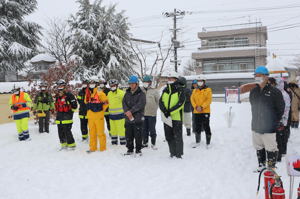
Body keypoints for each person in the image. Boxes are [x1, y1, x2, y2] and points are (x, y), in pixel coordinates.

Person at [245, 66, 284, 171]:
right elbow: (253, 105)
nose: (257, 77)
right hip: (256, 126)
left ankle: (271, 167)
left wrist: (273, 121)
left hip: (269, 128)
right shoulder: (253, 91)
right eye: (255, 75)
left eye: (259, 75)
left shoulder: (275, 92)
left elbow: (280, 109)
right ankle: (261, 165)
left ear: (266, 77)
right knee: (259, 147)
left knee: (271, 148)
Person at [159, 72, 185, 158]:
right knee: (168, 136)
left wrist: (170, 111)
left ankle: (178, 154)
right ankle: (172, 152)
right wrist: (164, 111)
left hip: (176, 117)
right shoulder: (165, 90)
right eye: (169, 79)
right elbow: (161, 102)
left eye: (172, 79)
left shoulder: (180, 90)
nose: (170, 80)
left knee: (177, 136)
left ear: (176, 79)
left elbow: (180, 104)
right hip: (167, 118)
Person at [123, 75, 146, 155]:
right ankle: (130, 149)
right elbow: (124, 103)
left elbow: (141, 104)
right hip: (128, 118)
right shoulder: (127, 93)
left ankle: (138, 150)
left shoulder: (141, 94)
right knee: (128, 135)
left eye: (133, 84)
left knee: (138, 135)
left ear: (137, 84)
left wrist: (131, 111)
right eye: (130, 84)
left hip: (138, 118)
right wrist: (126, 111)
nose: (131, 85)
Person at [85, 77, 109, 153]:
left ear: (96, 84)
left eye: (93, 83)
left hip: (99, 117)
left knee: (100, 133)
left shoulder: (100, 93)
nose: (91, 84)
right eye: (90, 83)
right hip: (90, 117)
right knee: (92, 133)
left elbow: (106, 103)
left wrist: (100, 111)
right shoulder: (88, 93)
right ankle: (92, 148)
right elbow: (86, 102)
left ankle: (102, 148)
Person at [54, 79, 78, 150]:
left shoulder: (69, 95)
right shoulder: (57, 96)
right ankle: (63, 145)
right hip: (59, 118)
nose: (60, 87)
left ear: (64, 86)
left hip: (67, 117)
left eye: (61, 85)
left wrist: (69, 113)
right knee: (60, 132)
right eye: (58, 86)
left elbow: (75, 106)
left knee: (67, 132)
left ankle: (71, 145)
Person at [190, 75, 212, 148]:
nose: (199, 82)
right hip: (196, 111)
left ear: (204, 82)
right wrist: (196, 107)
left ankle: (208, 142)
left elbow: (209, 100)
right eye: (198, 81)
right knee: (197, 126)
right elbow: (192, 99)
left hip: (205, 111)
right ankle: (197, 141)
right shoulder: (194, 90)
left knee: (206, 126)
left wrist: (202, 107)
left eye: (201, 81)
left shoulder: (208, 90)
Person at [274, 78, 290, 162]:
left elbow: (285, 109)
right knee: (279, 138)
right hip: (280, 120)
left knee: (279, 138)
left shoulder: (282, 94)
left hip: (281, 120)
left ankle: (279, 155)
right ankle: (280, 153)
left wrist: (282, 121)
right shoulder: (282, 93)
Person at [141, 75, 160, 149]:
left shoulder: (154, 91)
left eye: (147, 82)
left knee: (152, 129)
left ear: (150, 82)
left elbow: (158, 101)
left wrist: (155, 109)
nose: (145, 83)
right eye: (144, 82)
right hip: (143, 114)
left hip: (152, 114)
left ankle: (153, 143)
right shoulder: (141, 90)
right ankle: (145, 143)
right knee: (144, 129)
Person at [107, 79, 126, 145]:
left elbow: (126, 103)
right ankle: (114, 142)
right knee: (113, 130)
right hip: (112, 116)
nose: (112, 87)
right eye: (111, 86)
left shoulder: (122, 93)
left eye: (114, 85)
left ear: (117, 85)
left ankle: (123, 142)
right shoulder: (109, 94)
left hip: (120, 116)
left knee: (121, 130)